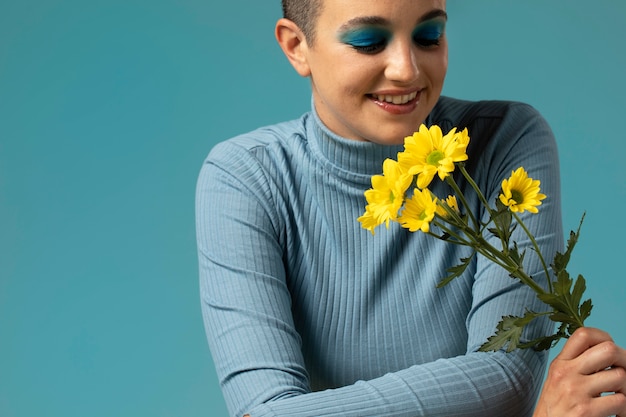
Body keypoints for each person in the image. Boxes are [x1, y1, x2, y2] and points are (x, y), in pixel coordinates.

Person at [195, 1, 626, 416]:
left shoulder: (506, 142)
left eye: (428, 35)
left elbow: (508, 378)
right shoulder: (245, 178)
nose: (407, 69)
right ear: (296, 46)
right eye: (368, 41)